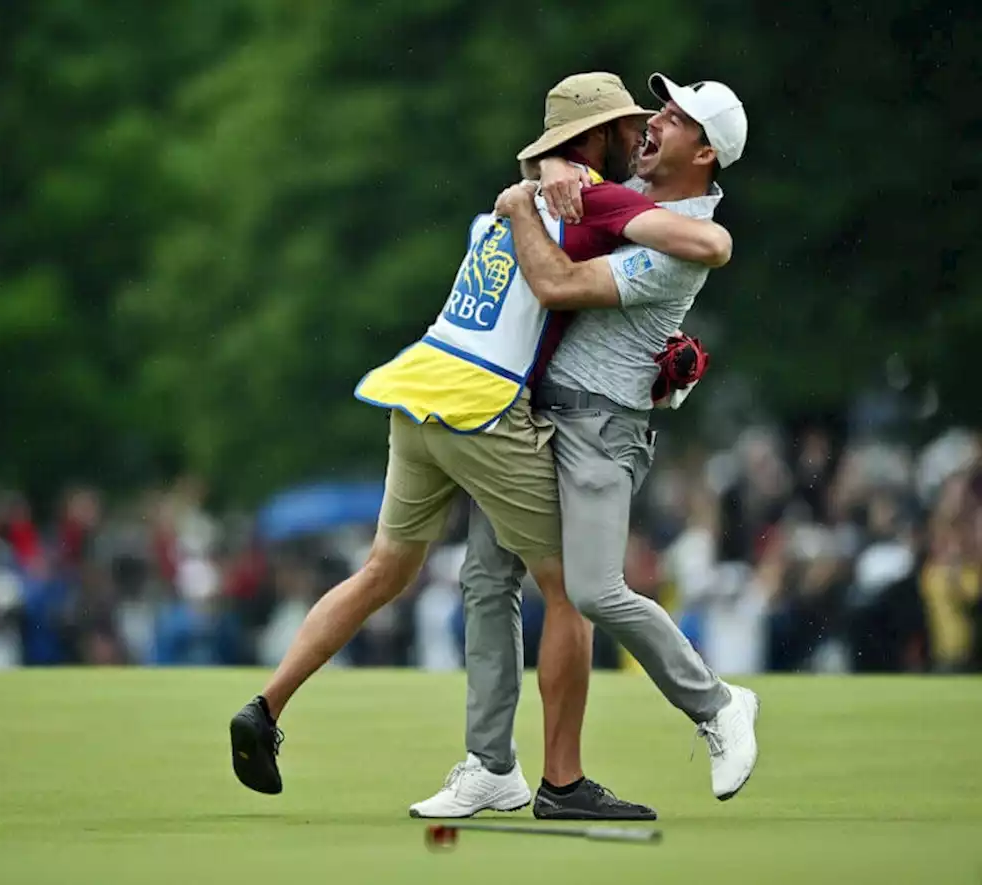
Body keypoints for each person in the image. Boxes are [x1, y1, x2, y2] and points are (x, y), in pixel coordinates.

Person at [228, 72, 733, 797]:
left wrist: (542, 172)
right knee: (574, 588)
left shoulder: (502, 209)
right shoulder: (589, 205)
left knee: (385, 571)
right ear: (592, 141)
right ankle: (560, 778)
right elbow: (698, 241)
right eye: (624, 126)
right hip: (480, 407)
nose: (638, 134)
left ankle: (265, 705)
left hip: (417, 389)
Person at [412, 73, 759, 819]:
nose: (653, 119)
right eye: (658, 108)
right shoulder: (613, 193)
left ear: (704, 152)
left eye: (674, 116)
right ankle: (490, 764)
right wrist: (547, 171)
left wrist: (520, 200)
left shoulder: (681, 243)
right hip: (532, 415)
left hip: (601, 428)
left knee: (597, 590)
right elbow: (556, 176)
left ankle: (719, 704)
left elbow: (559, 283)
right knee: (484, 579)